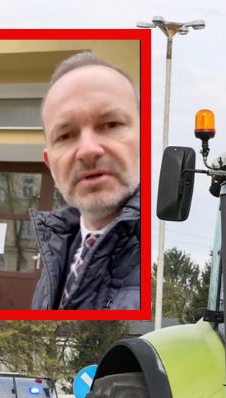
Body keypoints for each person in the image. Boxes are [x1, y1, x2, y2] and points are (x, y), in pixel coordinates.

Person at [30, 52, 141, 311]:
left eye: (111, 124)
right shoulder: (52, 271)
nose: (88, 150)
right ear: (50, 164)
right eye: (66, 135)